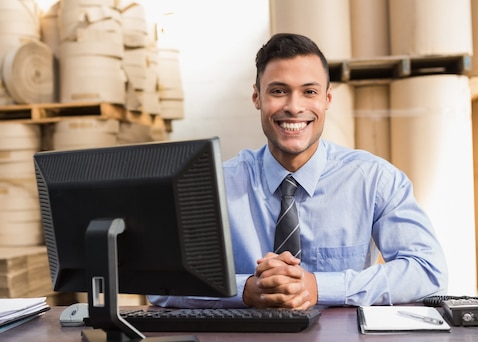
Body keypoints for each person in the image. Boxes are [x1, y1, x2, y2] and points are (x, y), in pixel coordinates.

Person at [149, 33, 448, 309]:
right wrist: (245, 290)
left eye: (309, 92)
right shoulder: (214, 186)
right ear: (257, 98)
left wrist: (319, 286)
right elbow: (160, 282)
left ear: (327, 99)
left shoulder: (375, 180)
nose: (294, 107)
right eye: (278, 91)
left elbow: (428, 269)